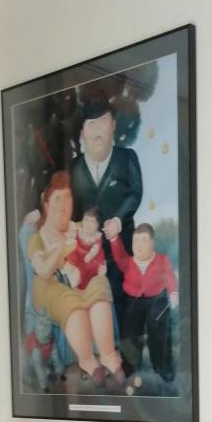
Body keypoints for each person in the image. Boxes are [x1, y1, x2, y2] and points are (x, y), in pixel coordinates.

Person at [26, 171, 124, 390]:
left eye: (68, 197)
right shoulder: (38, 237)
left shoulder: (78, 227)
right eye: (58, 199)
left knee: (99, 284)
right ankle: (87, 360)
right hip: (51, 287)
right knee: (70, 301)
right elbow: (43, 271)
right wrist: (59, 248)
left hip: (81, 280)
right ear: (46, 205)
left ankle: (108, 354)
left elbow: (95, 237)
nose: (64, 205)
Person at [70, 97, 143, 336]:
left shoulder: (127, 158)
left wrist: (119, 220)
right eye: (90, 125)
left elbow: (135, 193)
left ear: (113, 125)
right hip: (87, 253)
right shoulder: (73, 168)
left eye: (102, 122)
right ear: (82, 133)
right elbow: (69, 206)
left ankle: (127, 349)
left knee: (125, 302)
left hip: (121, 249)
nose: (97, 132)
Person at [107, 221, 178, 383]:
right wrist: (114, 239)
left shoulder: (163, 260)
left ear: (152, 242)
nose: (138, 245)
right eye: (136, 241)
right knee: (130, 332)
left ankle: (162, 366)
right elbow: (118, 255)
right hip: (133, 299)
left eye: (144, 240)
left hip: (157, 299)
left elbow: (169, 276)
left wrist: (173, 292)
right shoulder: (128, 262)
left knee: (160, 329)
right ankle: (130, 365)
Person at [62, 208, 106, 290]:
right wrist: (66, 236)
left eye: (92, 221)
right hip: (78, 254)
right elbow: (72, 234)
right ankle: (63, 275)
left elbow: (95, 249)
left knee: (79, 271)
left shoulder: (97, 238)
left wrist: (90, 255)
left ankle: (70, 283)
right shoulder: (80, 231)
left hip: (89, 260)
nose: (88, 223)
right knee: (69, 263)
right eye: (86, 219)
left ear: (98, 225)